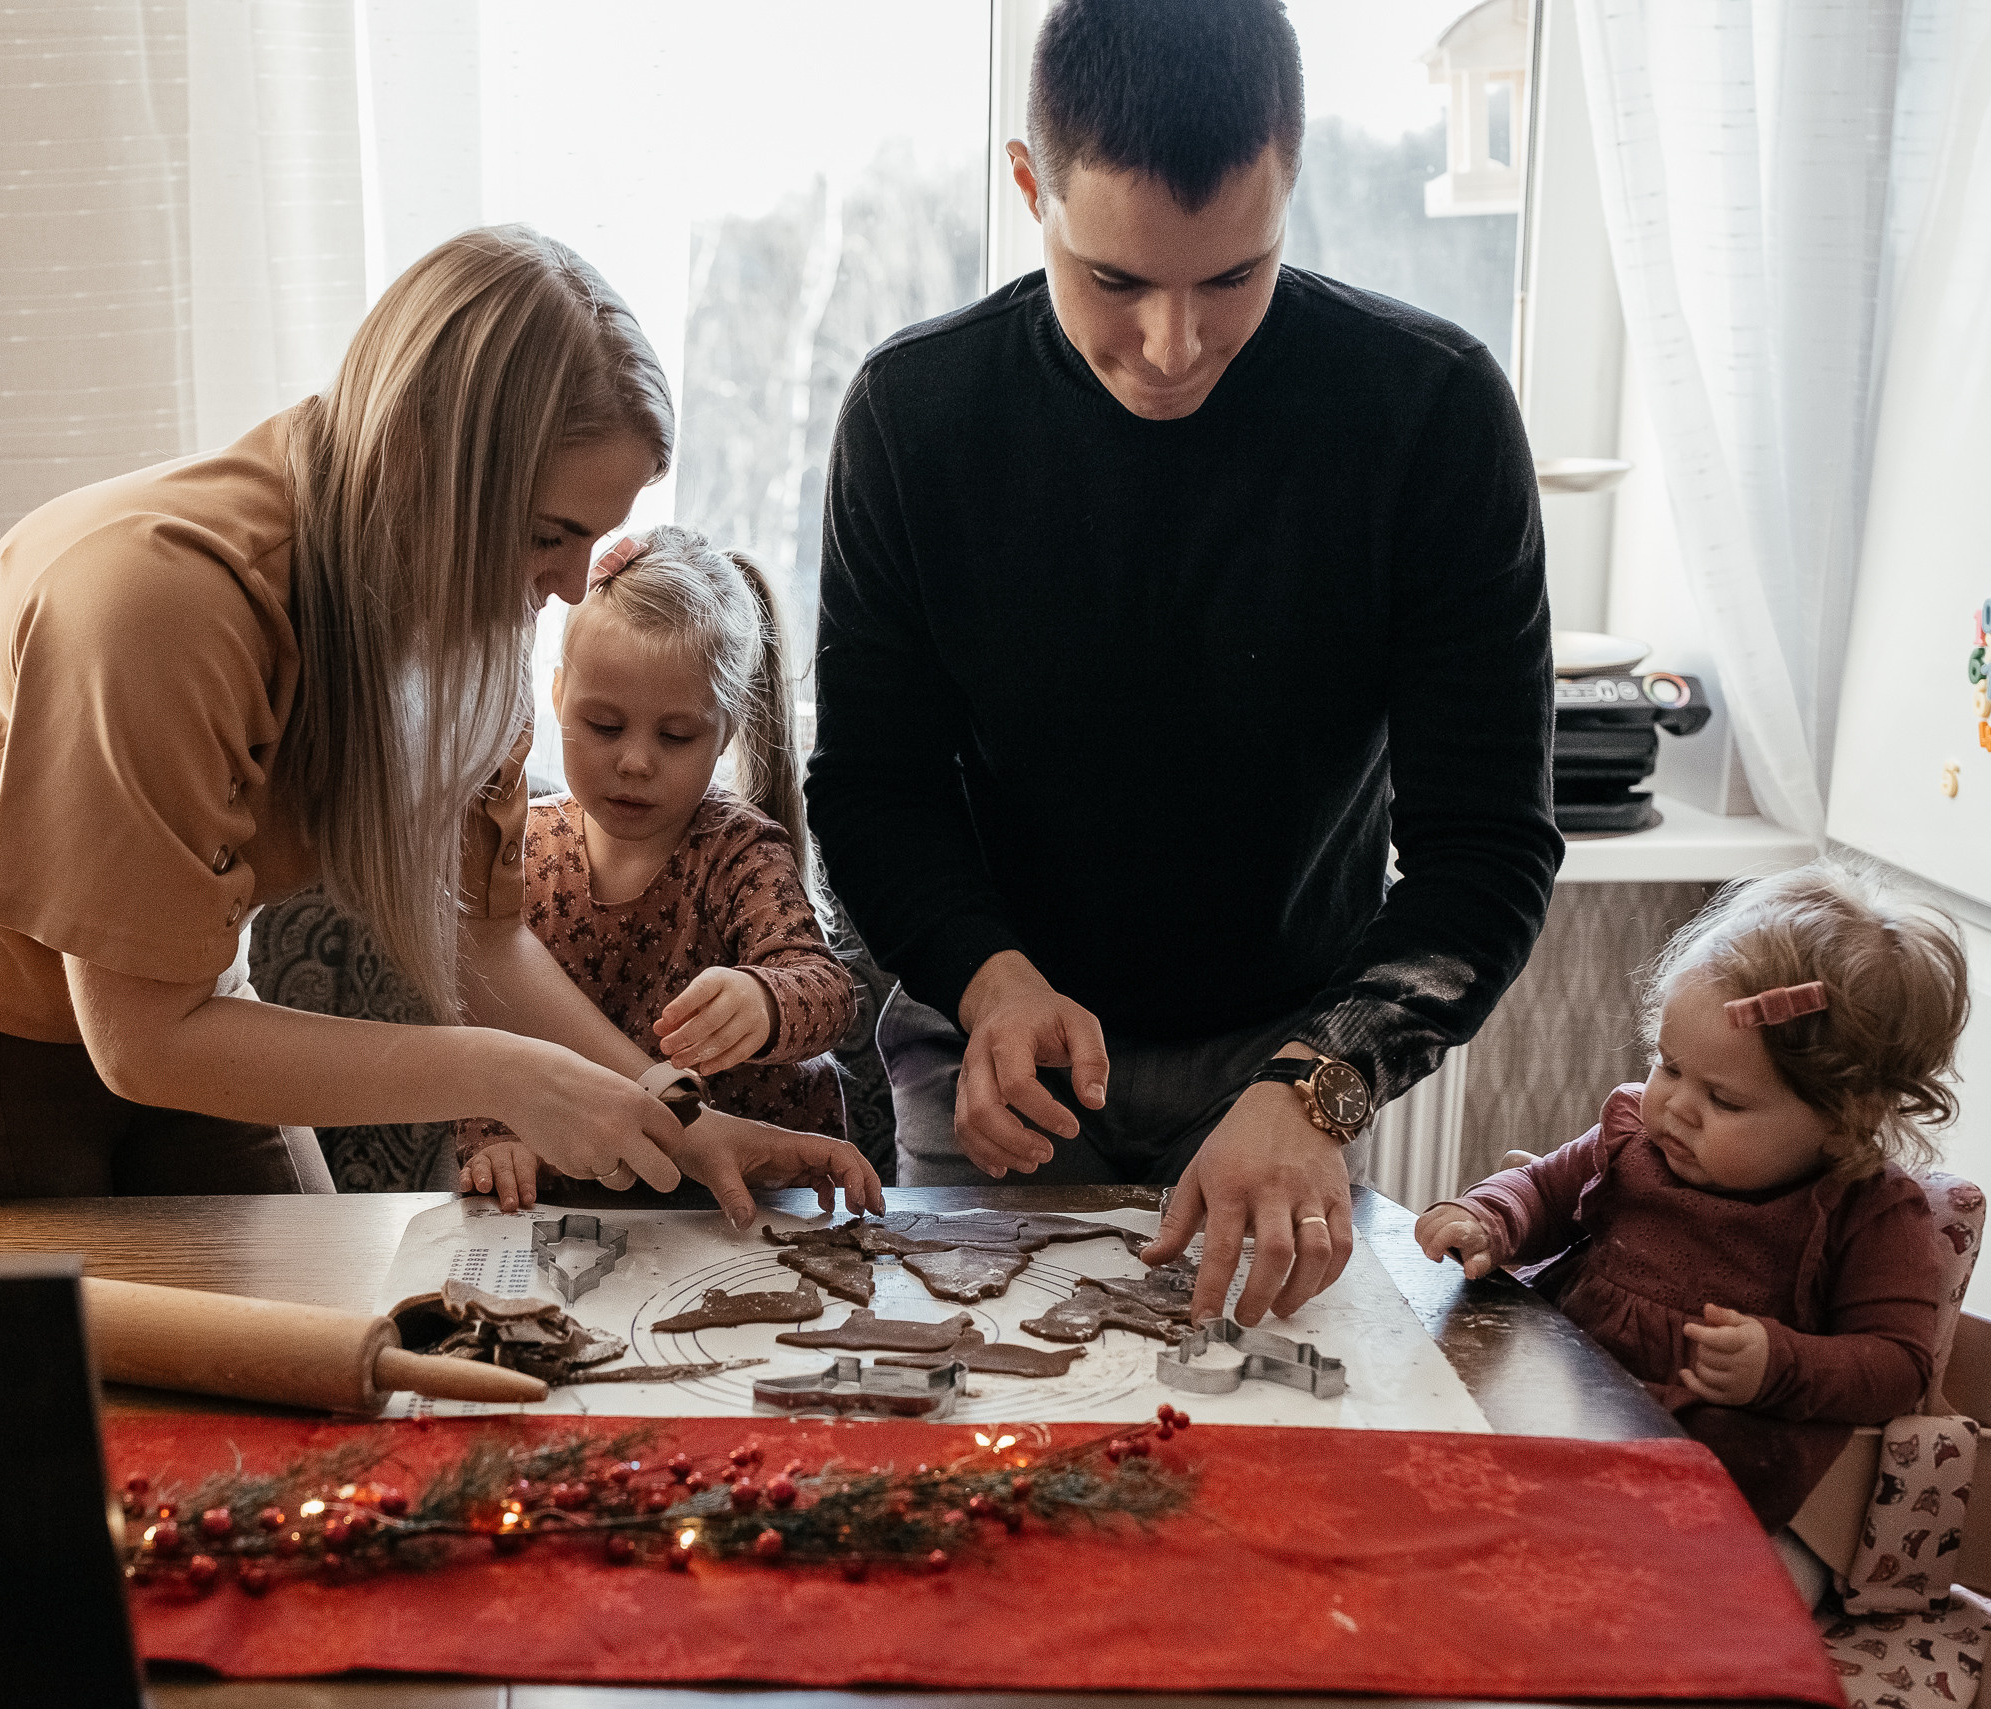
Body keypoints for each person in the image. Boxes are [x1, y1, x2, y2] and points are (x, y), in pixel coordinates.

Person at [0, 225, 878, 1227]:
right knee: (21, 1375)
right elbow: (141, 1043)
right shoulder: (159, 606)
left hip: (175, 1000)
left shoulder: (466, 623)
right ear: (424, 459)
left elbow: (480, 937)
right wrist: (506, 1077)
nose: (566, 585)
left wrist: (676, 1116)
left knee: (319, 1333)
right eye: (548, 533)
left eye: (593, 538)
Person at [806, 0, 1561, 1326]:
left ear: (1291, 186)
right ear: (1030, 187)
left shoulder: (1432, 413)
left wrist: (1318, 1085)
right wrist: (988, 978)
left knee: (1256, 1418)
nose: (1172, 345)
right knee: (983, 1404)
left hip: (1288, 1041)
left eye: (1232, 278)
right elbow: (874, 787)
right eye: (1115, 281)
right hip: (996, 1040)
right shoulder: (913, 415)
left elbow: (1486, 849)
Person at [1415, 862, 1971, 1527]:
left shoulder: (1869, 1213)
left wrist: (1778, 1362)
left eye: (1723, 1099)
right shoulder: (1633, 1135)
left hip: (1705, 1481)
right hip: (1556, 1399)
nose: (1677, 1105)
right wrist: (1488, 1215)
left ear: (1844, 1117)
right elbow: (1542, 1186)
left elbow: (1899, 1365)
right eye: (1669, 1065)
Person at [455, 527, 857, 1213]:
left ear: (726, 730)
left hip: (741, 1203)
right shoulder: (520, 844)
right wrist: (495, 1135)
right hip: (576, 1202)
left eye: (676, 735)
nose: (636, 762)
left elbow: (829, 992)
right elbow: (486, 1018)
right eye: (604, 725)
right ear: (557, 697)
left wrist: (763, 1001)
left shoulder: (738, 850)